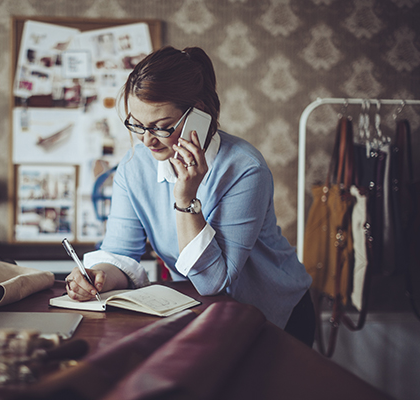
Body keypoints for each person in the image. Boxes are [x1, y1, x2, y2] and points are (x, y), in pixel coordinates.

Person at [64, 46, 315, 347]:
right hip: (208, 315)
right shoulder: (133, 168)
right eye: (137, 124)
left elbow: (214, 282)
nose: (146, 140)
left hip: (274, 315)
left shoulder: (245, 169)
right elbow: (120, 254)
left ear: (199, 113)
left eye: (162, 127)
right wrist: (97, 276)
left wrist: (185, 198)